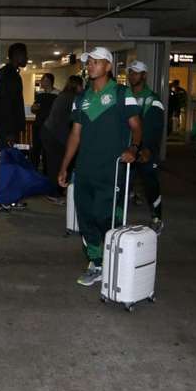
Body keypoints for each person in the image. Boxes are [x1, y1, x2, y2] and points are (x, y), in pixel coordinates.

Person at [57, 47, 143, 287]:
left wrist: (133, 149)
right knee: (85, 217)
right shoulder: (81, 99)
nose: (91, 66)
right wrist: (65, 166)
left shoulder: (121, 93)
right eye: (89, 62)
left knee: (105, 216)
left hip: (112, 170)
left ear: (108, 66)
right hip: (85, 169)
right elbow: (75, 135)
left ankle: (111, 261)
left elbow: (136, 126)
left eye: (96, 62)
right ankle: (95, 262)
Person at [127, 60, 165, 233]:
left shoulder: (152, 99)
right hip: (128, 148)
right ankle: (118, 219)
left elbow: (155, 127)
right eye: (130, 72)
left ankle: (157, 217)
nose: (132, 75)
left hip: (145, 151)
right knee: (123, 183)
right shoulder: (126, 96)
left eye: (136, 72)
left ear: (144, 75)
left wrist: (148, 148)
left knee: (150, 183)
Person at [41, 75, 83, 204]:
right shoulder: (73, 98)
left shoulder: (63, 95)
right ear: (77, 86)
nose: (83, 88)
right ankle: (54, 194)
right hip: (55, 135)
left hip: (49, 132)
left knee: (54, 165)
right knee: (57, 165)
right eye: (82, 85)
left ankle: (57, 191)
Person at [0, 42, 27, 151]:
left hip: (6, 126)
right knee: (8, 158)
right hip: (8, 128)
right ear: (17, 55)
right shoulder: (9, 76)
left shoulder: (8, 74)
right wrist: (10, 132)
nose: (27, 58)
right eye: (25, 55)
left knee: (7, 157)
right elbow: (7, 104)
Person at [30, 73, 59, 173]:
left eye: (44, 80)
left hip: (51, 127)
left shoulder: (57, 94)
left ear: (50, 82)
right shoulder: (40, 94)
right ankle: (34, 172)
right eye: (42, 80)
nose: (42, 82)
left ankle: (47, 173)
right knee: (36, 150)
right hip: (38, 125)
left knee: (48, 151)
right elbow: (33, 109)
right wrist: (34, 107)